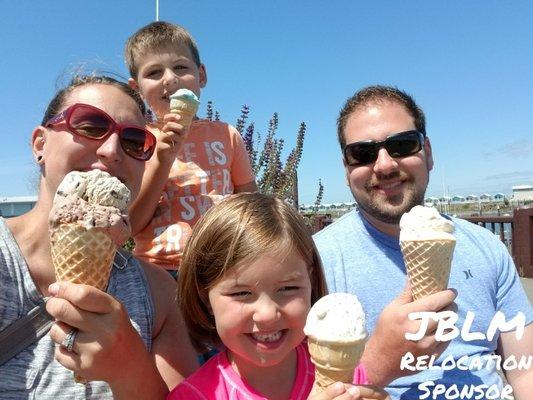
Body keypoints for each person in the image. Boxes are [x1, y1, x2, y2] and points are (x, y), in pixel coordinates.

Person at [314, 85, 533, 399]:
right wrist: (378, 363)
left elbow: (525, 370)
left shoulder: (487, 248)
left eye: (402, 145)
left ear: (427, 153)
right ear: (346, 169)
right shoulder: (315, 262)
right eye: (363, 153)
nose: (385, 164)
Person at [0, 75, 198, 399]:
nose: (111, 150)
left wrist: (132, 370)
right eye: (91, 125)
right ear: (40, 144)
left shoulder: (161, 294)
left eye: (135, 141)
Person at [170, 192, 390, 400]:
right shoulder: (194, 395)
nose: (267, 314)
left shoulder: (351, 376)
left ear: (310, 282)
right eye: (241, 293)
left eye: (287, 289)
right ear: (205, 298)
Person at [124, 21, 257, 273]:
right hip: (159, 270)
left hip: (224, 264)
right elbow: (132, 223)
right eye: (154, 73)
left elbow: (251, 204)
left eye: (180, 67)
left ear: (201, 75)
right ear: (136, 89)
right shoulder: (134, 141)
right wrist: (162, 160)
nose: (170, 78)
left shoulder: (226, 135)